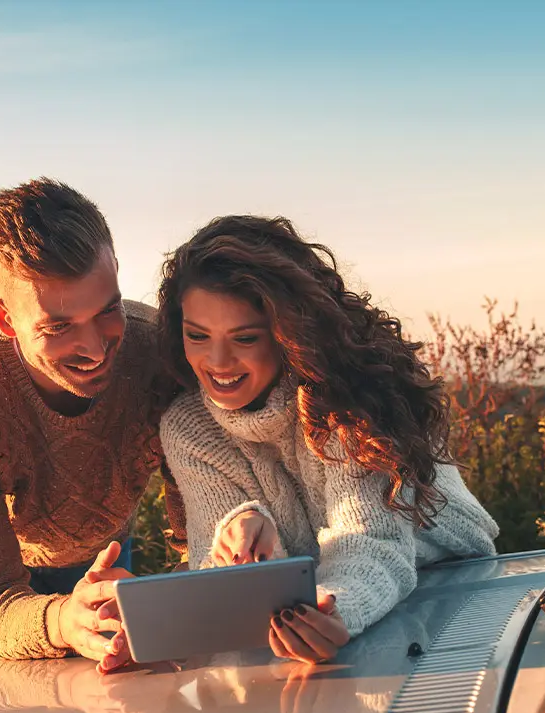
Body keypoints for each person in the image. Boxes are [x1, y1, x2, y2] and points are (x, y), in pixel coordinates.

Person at [156, 215, 499, 664]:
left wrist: (337, 608)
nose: (217, 361)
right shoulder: (187, 427)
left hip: (450, 578)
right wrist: (243, 537)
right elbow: (214, 564)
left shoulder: (344, 400)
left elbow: (371, 539)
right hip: (329, 596)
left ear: (286, 332)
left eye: (244, 338)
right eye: (197, 335)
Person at [0, 177, 185, 671]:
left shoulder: (162, 356)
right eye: (58, 327)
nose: (97, 349)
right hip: (16, 589)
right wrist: (61, 621)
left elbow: (202, 533)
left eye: (107, 310)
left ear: (116, 271)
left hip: (113, 558)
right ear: (3, 316)